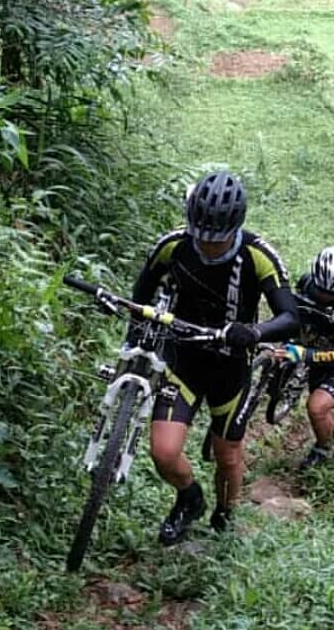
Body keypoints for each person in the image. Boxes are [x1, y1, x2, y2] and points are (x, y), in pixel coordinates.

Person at [130, 171, 297, 544]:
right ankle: (190, 498)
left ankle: (225, 514)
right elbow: (141, 294)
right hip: (183, 359)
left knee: (228, 455)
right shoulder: (174, 244)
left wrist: (254, 332)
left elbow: (290, 316)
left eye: (217, 242)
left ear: (235, 228)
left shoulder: (258, 255)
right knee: (164, 451)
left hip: (230, 368)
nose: (207, 248)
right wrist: (137, 339)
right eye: (200, 238)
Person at [284, 247, 334, 469]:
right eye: (319, 290)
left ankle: (323, 448)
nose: (323, 296)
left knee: (316, 408)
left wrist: (307, 354)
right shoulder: (305, 284)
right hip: (319, 346)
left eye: (330, 294)